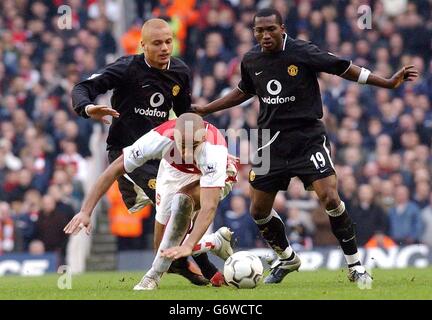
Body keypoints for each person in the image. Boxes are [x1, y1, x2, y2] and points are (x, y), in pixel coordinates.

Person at [193, 8, 418, 285]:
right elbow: (244, 90)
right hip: (269, 141)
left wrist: (385, 82)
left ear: (282, 29)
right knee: (258, 211)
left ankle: (355, 265)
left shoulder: (302, 52)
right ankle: (287, 258)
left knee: (330, 198)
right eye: (259, 30)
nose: (265, 35)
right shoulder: (251, 59)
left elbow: (343, 68)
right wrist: (206, 108)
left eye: (270, 29)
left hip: (307, 137)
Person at [71, 18, 216, 285]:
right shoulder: (126, 68)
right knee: (174, 205)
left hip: (162, 150)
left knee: (190, 203)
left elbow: (184, 115)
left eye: (168, 42)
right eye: (157, 43)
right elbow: (82, 88)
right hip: (127, 153)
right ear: (143, 45)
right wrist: (89, 108)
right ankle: (206, 269)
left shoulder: (181, 71)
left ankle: (177, 262)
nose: (164, 48)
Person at [64, 113, 238, 290]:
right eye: (182, 145)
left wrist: (188, 245)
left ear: (202, 137)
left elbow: (209, 206)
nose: (186, 152)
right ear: (174, 135)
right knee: (161, 249)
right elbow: (114, 169)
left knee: (182, 201)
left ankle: (152, 277)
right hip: (174, 172)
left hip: (218, 175)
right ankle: (214, 242)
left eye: (193, 145)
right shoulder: (158, 138)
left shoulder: (214, 150)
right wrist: (86, 211)